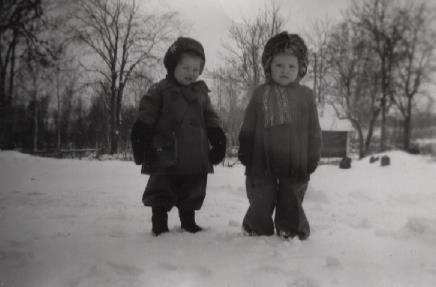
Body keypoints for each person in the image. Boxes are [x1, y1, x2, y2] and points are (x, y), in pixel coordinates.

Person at [130, 37, 226, 236]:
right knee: (161, 188)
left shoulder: (201, 94)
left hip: (195, 155)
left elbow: (211, 119)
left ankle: (188, 221)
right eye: (185, 68)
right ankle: (159, 223)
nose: (191, 73)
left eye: (195, 69)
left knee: (192, 189)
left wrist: (218, 140)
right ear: (173, 66)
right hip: (165, 153)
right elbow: (146, 116)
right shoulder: (160, 90)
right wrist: (140, 139)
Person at [238, 32, 322, 240]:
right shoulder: (260, 93)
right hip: (262, 158)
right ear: (269, 66)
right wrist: (245, 150)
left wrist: (313, 157)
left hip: (295, 160)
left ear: (300, 68)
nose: (285, 71)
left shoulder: (305, 96)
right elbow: (248, 125)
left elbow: (314, 130)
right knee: (261, 196)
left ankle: (290, 229)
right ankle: (256, 228)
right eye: (279, 65)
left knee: (291, 197)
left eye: (291, 66)